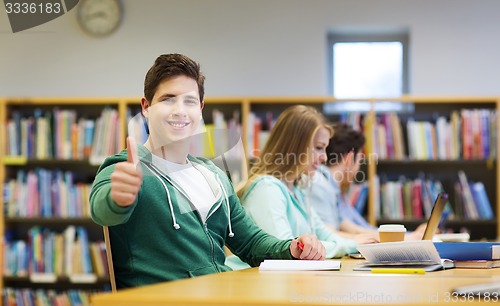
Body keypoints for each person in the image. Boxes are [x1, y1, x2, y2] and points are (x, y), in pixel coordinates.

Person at [89, 54, 325, 288]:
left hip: (221, 294)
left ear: (200, 109)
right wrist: (118, 198)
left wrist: (291, 248)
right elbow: (103, 210)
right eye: (168, 99)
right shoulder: (127, 167)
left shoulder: (214, 174)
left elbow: (251, 243)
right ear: (146, 107)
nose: (180, 110)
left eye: (189, 101)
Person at [237, 105, 378, 260]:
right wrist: (349, 244)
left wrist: (353, 243)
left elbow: (324, 234)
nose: (324, 158)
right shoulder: (267, 189)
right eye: (318, 148)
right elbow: (288, 249)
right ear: (295, 146)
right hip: (253, 280)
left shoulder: (298, 189)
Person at [309, 123, 426, 239]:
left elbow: (355, 229)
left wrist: (408, 236)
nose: (358, 167)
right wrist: (407, 238)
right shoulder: (320, 185)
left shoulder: (335, 191)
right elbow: (330, 236)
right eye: (360, 160)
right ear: (349, 159)